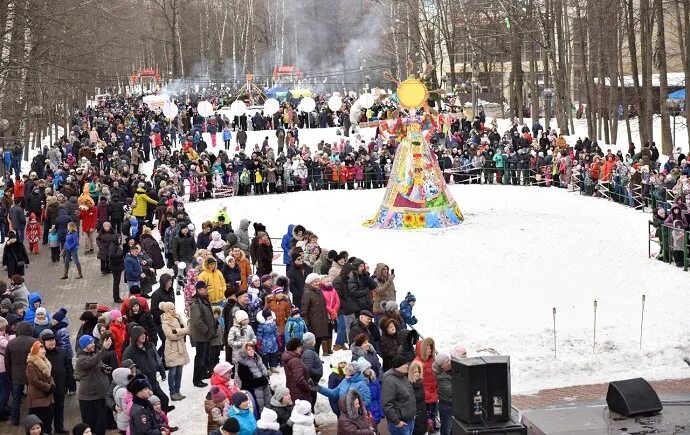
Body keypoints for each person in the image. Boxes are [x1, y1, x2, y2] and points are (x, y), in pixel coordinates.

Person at [121, 325, 171, 413]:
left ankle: (163, 423)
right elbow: (125, 367)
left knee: (164, 400)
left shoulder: (148, 347)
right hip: (142, 385)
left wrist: (159, 369)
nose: (144, 336)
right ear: (136, 336)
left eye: (144, 334)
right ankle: (156, 425)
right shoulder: (129, 351)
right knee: (151, 407)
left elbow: (155, 359)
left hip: (153, 381)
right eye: (141, 334)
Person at [75, 334, 113, 435]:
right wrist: (104, 348)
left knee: (101, 426)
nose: (93, 344)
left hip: (100, 397)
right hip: (89, 400)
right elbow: (92, 362)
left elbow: (97, 363)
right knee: (92, 427)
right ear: (84, 346)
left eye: (93, 342)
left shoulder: (93, 355)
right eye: (90, 343)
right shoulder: (81, 359)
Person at [40, 329, 71, 434]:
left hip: (60, 386)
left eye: (53, 340)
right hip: (47, 389)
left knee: (59, 409)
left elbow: (68, 368)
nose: (52, 342)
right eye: (49, 341)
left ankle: (59, 427)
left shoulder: (62, 352)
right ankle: (47, 430)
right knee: (48, 411)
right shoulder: (41, 355)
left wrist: (70, 384)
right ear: (44, 343)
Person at [6, 320, 37, 425]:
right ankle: (32, 419)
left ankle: (15, 419)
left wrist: (10, 375)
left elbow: (7, 362)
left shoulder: (11, 343)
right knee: (32, 396)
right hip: (31, 374)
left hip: (16, 375)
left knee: (16, 398)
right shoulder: (34, 342)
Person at [188, 280, 216, 387]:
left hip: (206, 335)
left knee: (205, 357)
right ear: (199, 290)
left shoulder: (203, 299)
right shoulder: (196, 302)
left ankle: (203, 373)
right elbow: (197, 321)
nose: (206, 290)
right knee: (200, 358)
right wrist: (207, 332)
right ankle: (197, 379)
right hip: (201, 336)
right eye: (205, 288)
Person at [160, 301, 189, 401]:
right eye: (171, 309)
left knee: (179, 371)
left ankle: (178, 390)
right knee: (173, 371)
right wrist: (181, 333)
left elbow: (187, 329)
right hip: (172, 348)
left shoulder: (178, 317)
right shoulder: (165, 322)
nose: (174, 310)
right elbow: (170, 335)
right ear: (167, 310)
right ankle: (172, 392)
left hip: (180, 347)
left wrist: (177, 331)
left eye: (174, 308)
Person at [381, 355, 416, 435]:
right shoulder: (389, 381)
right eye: (405, 364)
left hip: (409, 420)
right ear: (398, 366)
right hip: (400, 424)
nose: (408, 366)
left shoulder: (402, 376)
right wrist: (397, 422)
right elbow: (386, 404)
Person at [26, 341, 55, 434]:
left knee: (48, 423)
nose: (44, 351)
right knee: (39, 424)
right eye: (41, 349)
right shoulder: (31, 365)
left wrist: (52, 385)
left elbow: (49, 375)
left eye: (43, 348)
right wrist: (48, 387)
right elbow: (34, 381)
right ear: (35, 351)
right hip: (37, 400)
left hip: (48, 398)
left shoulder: (45, 362)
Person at [235, 342, 271, 413]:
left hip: (264, 388)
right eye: (249, 349)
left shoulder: (257, 358)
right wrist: (263, 380)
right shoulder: (242, 365)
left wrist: (266, 376)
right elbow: (247, 382)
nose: (251, 351)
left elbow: (263, 371)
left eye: (252, 349)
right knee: (258, 410)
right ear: (245, 351)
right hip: (253, 392)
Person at [300, 274, 330, 354]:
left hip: (321, 321)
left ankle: (316, 356)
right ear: (310, 282)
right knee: (313, 342)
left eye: (318, 281)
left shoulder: (319, 291)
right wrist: (306, 323)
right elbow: (304, 310)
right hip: (313, 322)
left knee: (319, 341)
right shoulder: (307, 293)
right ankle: (313, 356)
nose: (317, 283)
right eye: (315, 282)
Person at [300, 332, 323, 409]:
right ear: (312, 341)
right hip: (311, 382)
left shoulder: (309, 350)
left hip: (313, 381)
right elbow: (308, 369)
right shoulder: (308, 352)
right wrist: (317, 373)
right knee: (311, 401)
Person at [433, 352, 453, 435]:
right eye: (446, 362)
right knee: (446, 429)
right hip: (446, 406)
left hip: (453, 404)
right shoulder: (440, 377)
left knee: (453, 428)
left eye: (449, 360)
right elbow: (450, 392)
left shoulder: (451, 371)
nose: (449, 362)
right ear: (441, 366)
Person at [409, 361, 427, 435]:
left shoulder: (420, 383)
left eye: (418, 371)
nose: (417, 373)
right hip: (415, 414)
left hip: (422, 412)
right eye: (415, 372)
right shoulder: (409, 385)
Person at [108, 237, 125, 303]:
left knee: (116, 282)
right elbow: (111, 255)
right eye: (118, 239)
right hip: (116, 267)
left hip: (118, 266)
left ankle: (116, 297)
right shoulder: (113, 246)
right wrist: (120, 254)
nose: (119, 240)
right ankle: (116, 297)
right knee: (116, 283)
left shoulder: (115, 245)